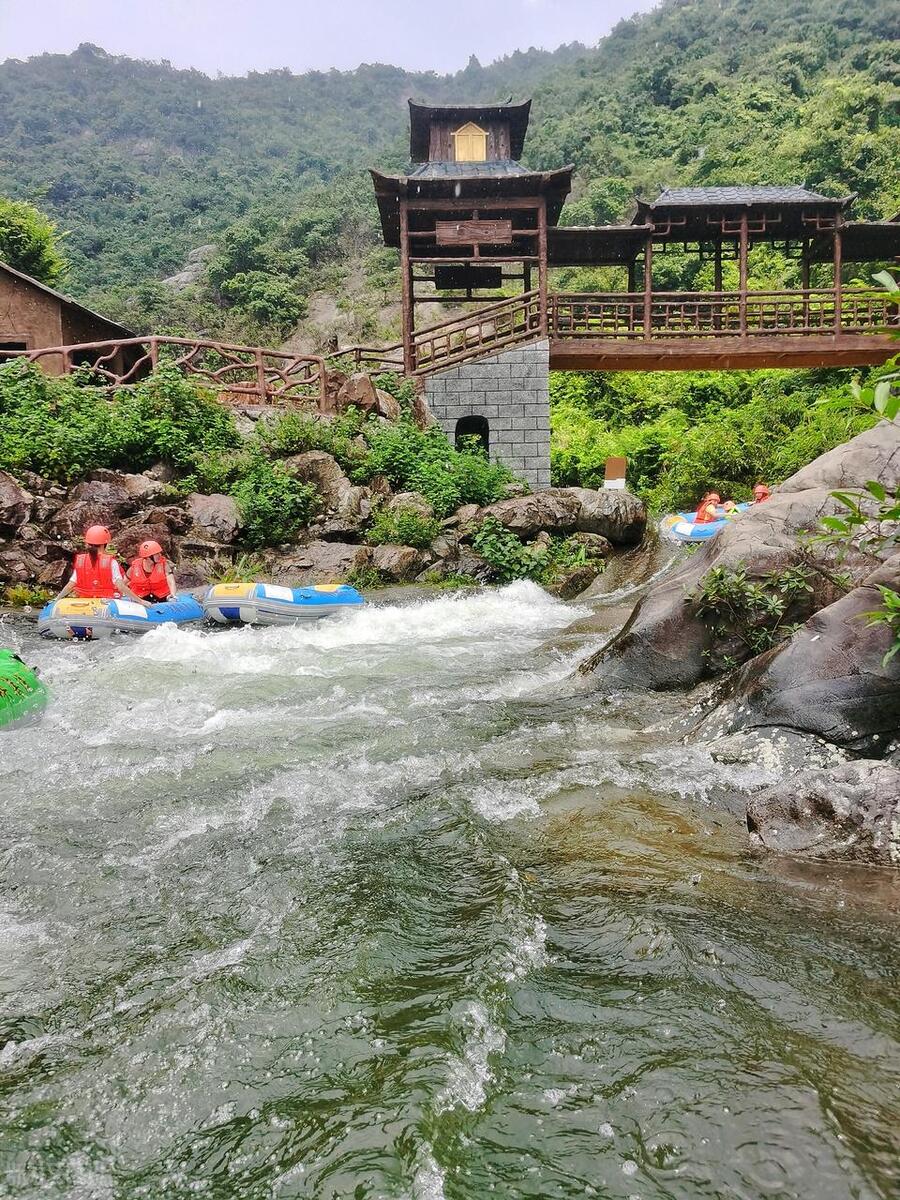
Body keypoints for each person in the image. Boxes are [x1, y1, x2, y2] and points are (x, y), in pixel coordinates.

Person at [54, 525, 148, 605]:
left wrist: (57, 599)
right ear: (105, 544)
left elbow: (70, 585)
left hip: (83, 601)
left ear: (88, 544)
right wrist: (140, 601)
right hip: (106, 602)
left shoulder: (81, 561)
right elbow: (121, 586)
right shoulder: (111, 562)